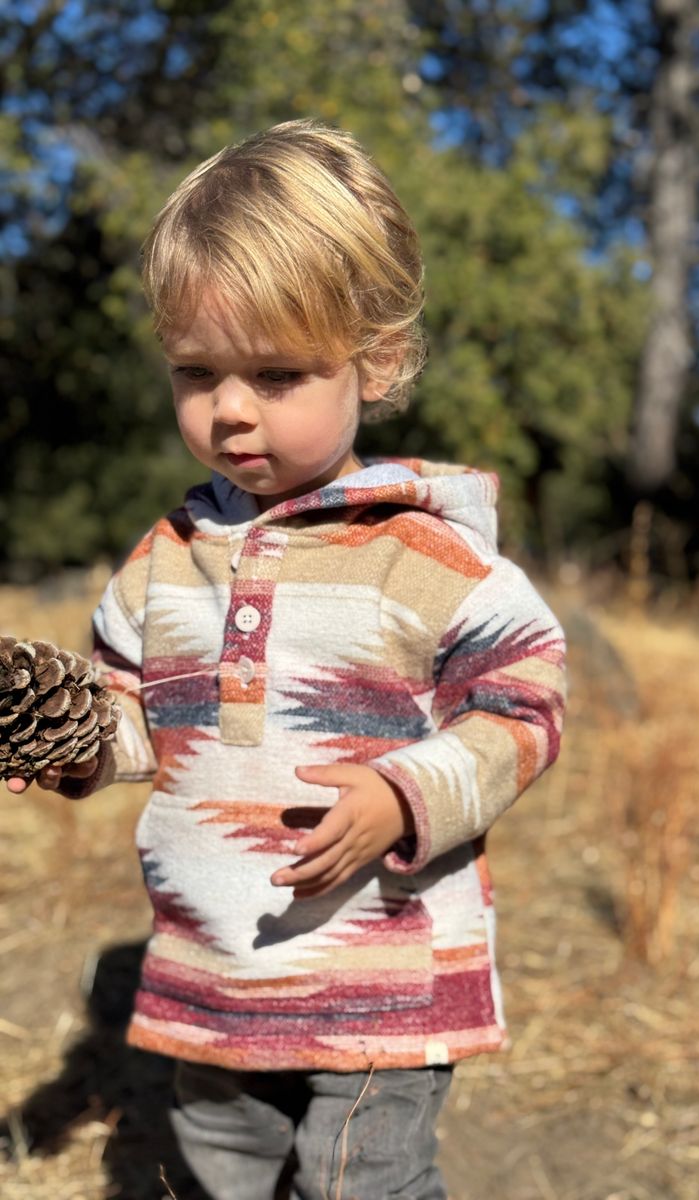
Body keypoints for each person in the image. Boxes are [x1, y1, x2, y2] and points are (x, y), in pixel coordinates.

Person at [7, 120, 566, 1200]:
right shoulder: (164, 562)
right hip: (214, 965)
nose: (227, 409)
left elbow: (526, 703)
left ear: (379, 360)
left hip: (382, 970)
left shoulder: (423, 553)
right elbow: (137, 719)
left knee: (358, 1179)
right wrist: (67, 736)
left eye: (276, 373)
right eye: (196, 371)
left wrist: (407, 797)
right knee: (221, 1164)